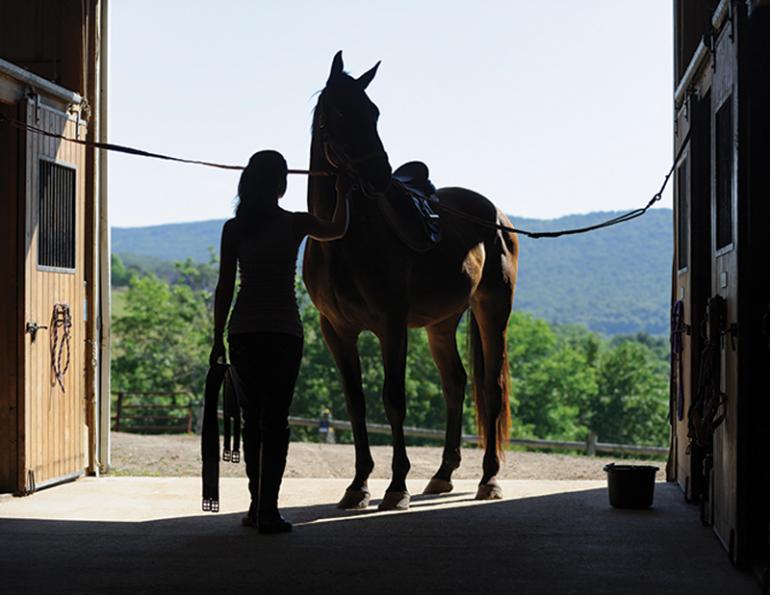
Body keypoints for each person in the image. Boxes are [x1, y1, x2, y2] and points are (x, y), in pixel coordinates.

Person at [210, 150, 349, 534]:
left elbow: (225, 288)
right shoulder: (295, 223)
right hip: (284, 331)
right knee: (276, 422)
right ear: (281, 183)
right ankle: (268, 508)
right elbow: (337, 228)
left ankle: (258, 506)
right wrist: (343, 192)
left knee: (252, 421)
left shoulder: (234, 229)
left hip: (242, 332)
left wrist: (217, 337)